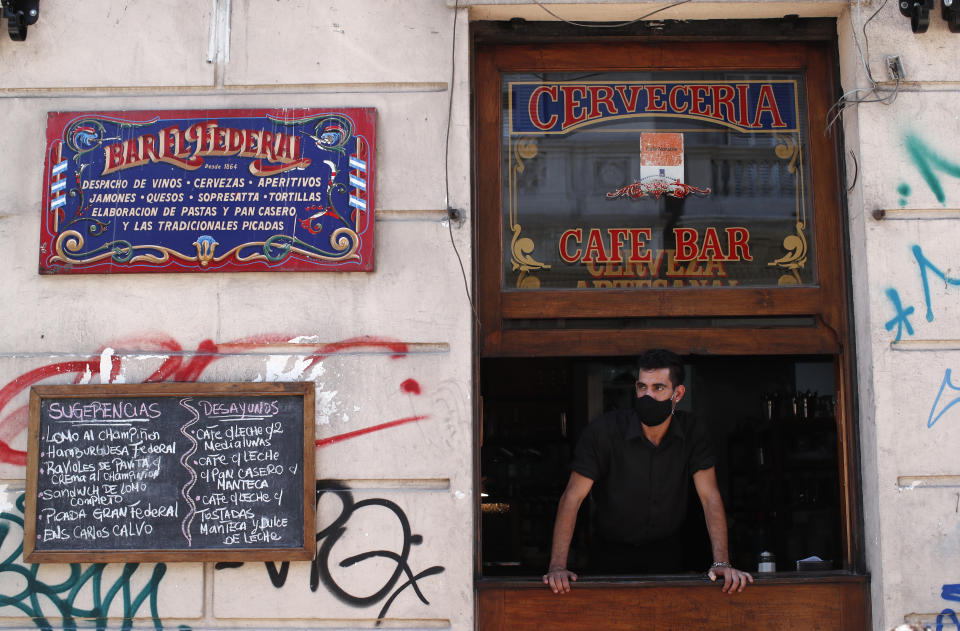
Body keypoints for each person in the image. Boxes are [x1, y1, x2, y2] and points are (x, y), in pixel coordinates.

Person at [542, 349, 753, 594]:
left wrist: (722, 563)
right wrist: (557, 567)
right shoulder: (603, 433)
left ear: (678, 394)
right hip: (610, 554)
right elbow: (572, 497)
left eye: (658, 388)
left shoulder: (693, 432)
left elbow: (709, 496)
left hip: (668, 554)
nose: (647, 396)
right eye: (643, 387)